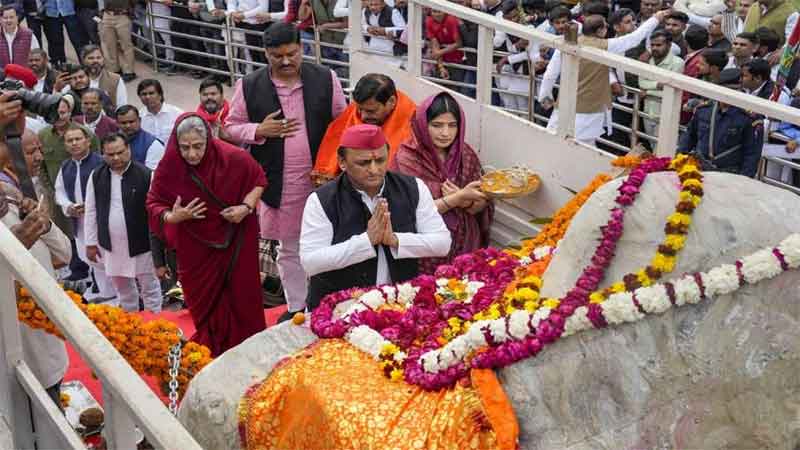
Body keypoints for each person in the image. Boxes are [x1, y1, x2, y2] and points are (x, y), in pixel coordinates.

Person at [225, 22, 346, 316]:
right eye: (278, 56)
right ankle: (297, 308)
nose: (286, 61)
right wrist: (258, 130)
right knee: (289, 249)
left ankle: (327, 306)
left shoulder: (325, 78)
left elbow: (343, 123)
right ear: (266, 54)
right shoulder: (249, 85)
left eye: (292, 54)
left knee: (328, 243)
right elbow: (229, 128)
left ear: (302, 48)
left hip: (322, 181)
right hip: (278, 183)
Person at [146, 114, 267, 356]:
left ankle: (250, 350)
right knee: (201, 302)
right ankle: (212, 350)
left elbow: (259, 180)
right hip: (194, 246)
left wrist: (245, 208)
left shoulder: (232, 157)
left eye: (198, 146)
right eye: (185, 147)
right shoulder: (169, 166)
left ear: (209, 141)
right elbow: (153, 203)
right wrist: (173, 217)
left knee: (243, 297)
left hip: (236, 239)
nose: (192, 154)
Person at [299, 124, 451, 312]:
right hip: (338, 309)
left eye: (380, 160)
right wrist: (366, 241)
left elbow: (442, 243)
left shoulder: (413, 188)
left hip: (397, 305)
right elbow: (310, 262)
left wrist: (395, 240)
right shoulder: (322, 200)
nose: (374, 169)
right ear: (342, 162)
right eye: (363, 163)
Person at [390, 92, 491, 274]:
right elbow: (408, 212)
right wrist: (457, 198)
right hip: (424, 247)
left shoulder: (466, 154)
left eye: (452, 125)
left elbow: (481, 204)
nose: (445, 133)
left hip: (465, 243)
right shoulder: (407, 158)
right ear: (422, 124)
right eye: (437, 125)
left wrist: (467, 202)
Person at [540, 9, 670, 145]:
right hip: (589, 110)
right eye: (605, 26)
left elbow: (550, 74)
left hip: (565, 105)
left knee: (555, 142)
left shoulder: (566, 43)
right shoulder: (606, 46)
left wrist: (545, 96)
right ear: (600, 31)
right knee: (582, 146)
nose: (607, 28)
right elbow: (634, 38)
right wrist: (656, 18)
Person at [84, 133, 163, 312]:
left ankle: (155, 322)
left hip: (142, 244)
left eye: (120, 152)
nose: (116, 158)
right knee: (123, 290)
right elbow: (91, 210)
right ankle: (130, 322)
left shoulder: (146, 175)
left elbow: (155, 212)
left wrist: (159, 246)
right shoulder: (97, 176)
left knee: (150, 288)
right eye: (110, 154)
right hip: (112, 245)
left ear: (129, 149)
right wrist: (90, 243)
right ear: (103, 154)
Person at [313, 73, 415, 183]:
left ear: (392, 102)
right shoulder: (358, 108)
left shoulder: (414, 124)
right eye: (360, 110)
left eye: (371, 111)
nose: (363, 116)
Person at [54, 124, 116, 300]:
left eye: (78, 139)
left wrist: (92, 207)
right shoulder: (66, 166)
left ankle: (117, 294)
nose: (74, 143)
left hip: (101, 220)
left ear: (88, 141)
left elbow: (112, 189)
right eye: (70, 140)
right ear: (65, 145)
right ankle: (105, 293)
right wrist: (69, 207)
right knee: (89, 257)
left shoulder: (101, 163)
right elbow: (59, 191)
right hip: (79, 220)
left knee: (107, 257)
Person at [677, 69, 762, 177]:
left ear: (739, 91)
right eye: (723, 91)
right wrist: (679, 160)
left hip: (728, 174)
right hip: (699, 169)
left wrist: (743, 180)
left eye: (731, 91)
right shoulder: (704, 110)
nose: (725, 96)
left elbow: (751, 155)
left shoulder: (748, 118)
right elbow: (689, 137)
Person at [639, 30, 685, 137]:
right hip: (647, 112)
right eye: (652, 45)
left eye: (659, 45)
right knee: (651, 143)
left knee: (661, 145)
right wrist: (658, 85)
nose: (654, 48)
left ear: (669, 45)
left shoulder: (678, 63)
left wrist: (648, 91)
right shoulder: (647, 61)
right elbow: (641, 83)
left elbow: (671, 90)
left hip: (666, 115)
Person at [115, 104, 165, 170]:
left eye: (131, 122)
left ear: (139, 120)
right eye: (123, 123)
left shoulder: (154, 145)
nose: (128, 126)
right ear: (117, 123)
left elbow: (151, 174)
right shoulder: (111, 142)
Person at [42, 0, 89, 68]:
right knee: (55, 42)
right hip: (51, 11)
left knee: (78, 41)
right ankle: (61, 67)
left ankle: (85, 65)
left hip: (70, 10)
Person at [98, 0, 136, 82]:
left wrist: (130, 9)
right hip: (107, 15)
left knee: (126, 45)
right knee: (110, 45)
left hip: (122, 15)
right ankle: (115, 69)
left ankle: (129, 71)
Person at [81, 44, 127, 110]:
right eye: (91, 58)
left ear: (103, 59)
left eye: (98, 58)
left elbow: (122, 106)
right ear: (83, 61)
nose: (95, 61)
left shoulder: (115, 79)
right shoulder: (76, 79)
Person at [138, 79, 184, 144]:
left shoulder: (177, 114)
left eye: (151, 93)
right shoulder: (139, 117)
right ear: (140, 97)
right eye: (144, 94)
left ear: (160, 95)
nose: (147, 97)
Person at [362, 0, 406, 67]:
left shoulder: (393, 12)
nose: (373, 7)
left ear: (383, 4)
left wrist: (384, 30)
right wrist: (368, 28)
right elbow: (363, 24)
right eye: (371, 5)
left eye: (376, 4)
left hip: (390, 48)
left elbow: (403, 29)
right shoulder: (365, 11)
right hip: (373, 47)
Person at [0, 5, 39, 69]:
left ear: (17, 18)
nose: (8, 20)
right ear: (0, 20)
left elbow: (37, 57)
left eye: (11, 17)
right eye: (5, 18)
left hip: (23, 74)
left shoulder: (29, 35)